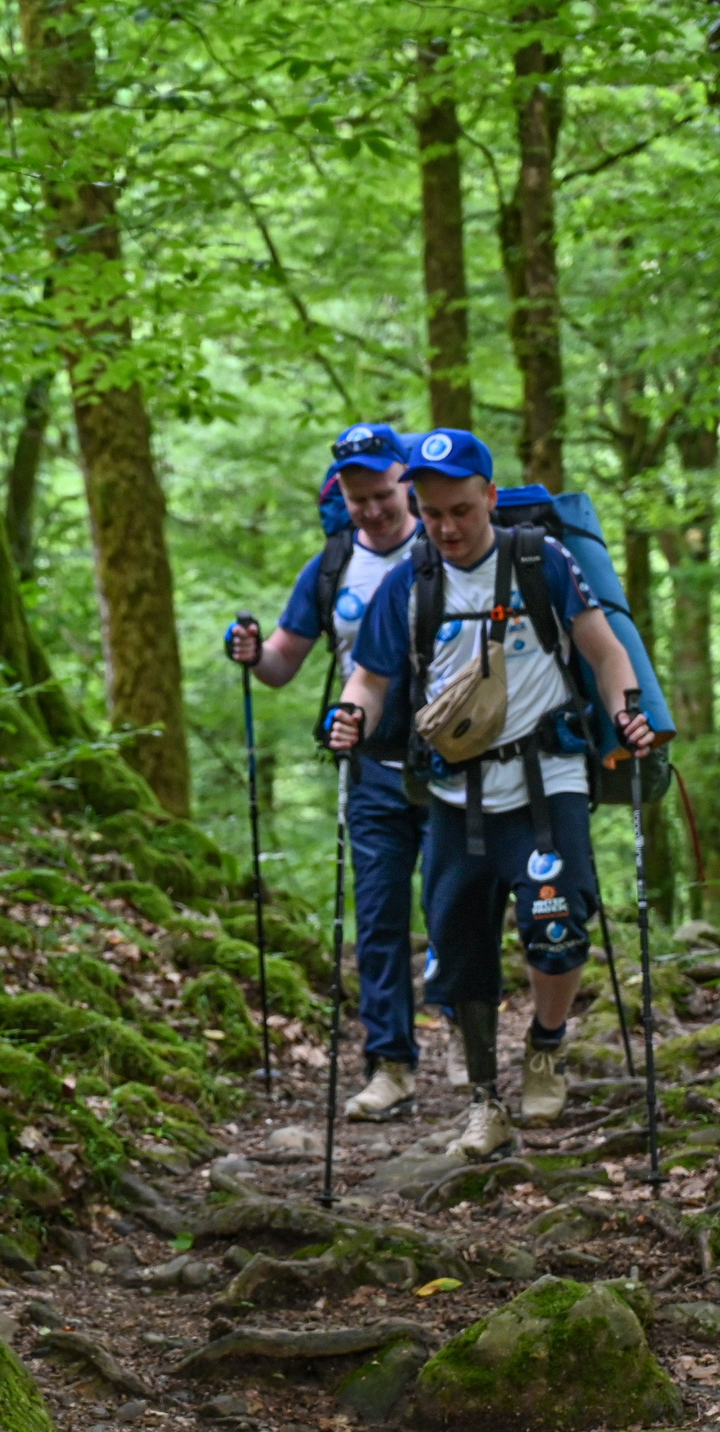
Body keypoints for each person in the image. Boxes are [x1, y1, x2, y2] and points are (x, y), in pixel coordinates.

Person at [327, 430, 656, 1155]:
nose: (446, 526)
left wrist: (626, 708)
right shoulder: (409, 581)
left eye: (462, 511)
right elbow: (372, 678)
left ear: (491, 500)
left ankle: (546, 1044)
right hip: (453, 795)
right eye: (433, 511)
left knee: (559, 928)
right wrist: (352, 715)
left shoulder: (541, 560)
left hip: (547, 784)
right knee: (459, 948)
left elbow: (604, 649)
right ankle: (484, 1101)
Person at [224, 423, 430, 1121]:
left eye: (380, 493)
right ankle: (391, 1065)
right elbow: (283, 664)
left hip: (457, 762)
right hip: (369, 767)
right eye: (356, 495)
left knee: (463, 910)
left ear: (404, 479)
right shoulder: (333, 565)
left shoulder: (446, 547)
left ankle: (477, 1052)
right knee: (377, 917)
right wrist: (252, 654)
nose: (371, 508)